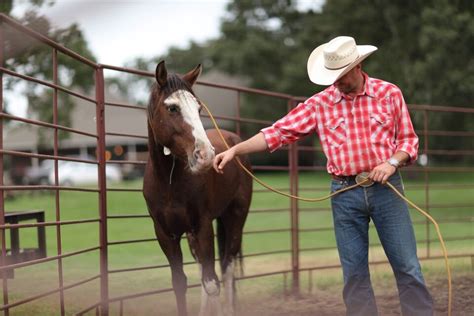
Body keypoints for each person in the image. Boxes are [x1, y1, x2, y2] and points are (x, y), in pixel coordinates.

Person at [213, 36, 433, 316]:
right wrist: (235, 150)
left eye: (341, 75)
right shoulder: (320, 103)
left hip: (386, 188)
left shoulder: (389, 93)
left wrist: (391, 162)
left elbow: (408, 142)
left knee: (407, 266)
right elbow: (277, 132)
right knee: (354, 275)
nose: (336, 81)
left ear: (358, 66)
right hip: (344, 194)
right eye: (332, 76)